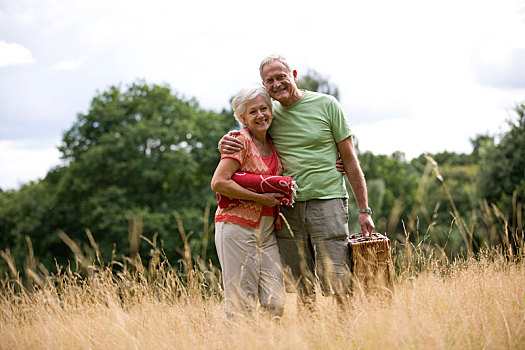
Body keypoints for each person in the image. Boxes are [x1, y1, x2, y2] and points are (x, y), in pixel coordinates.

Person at [219, 55, 375, 306]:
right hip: (287, 208)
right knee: (302, 285)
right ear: (264, 85)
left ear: (293, 74)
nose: (277, 84)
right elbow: (246, 136)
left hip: (328, 202)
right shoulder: (269, 113)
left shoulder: (327, 104)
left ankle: (346, 336)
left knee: (338, 280)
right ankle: (310, 337)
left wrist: (364, 210)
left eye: (281, 76)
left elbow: (350, 160)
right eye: (269, 80)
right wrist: (223, 142)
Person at [211, 86, 286, 319]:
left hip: (266, 233)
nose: (261, 115)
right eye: (253, 112)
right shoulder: (239, 141)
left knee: (276, 302)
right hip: (236, 227)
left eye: (264, 108)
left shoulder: (274, 141)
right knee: (241, 305)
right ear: (242, 117)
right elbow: (219, 182)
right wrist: (260, 198)